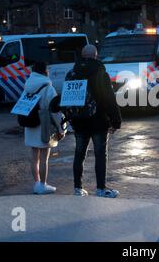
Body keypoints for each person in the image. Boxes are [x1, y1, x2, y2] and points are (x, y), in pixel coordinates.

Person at [70, 44, 122, 198]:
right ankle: (100, 189)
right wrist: (116, 121)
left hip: (79, 121)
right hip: (98, 121)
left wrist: (69, 117)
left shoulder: (72, 73)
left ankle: (78, 188)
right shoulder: (100, 73)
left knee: (79, 154)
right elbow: (109, 99)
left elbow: (68, 98)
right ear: (96, 56)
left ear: (82, 55)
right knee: (100, 154)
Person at [24, 62, 66, 195]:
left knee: (34, 156)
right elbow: (55, 110)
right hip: (44, 124)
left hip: (30, 123)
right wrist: (61, 128)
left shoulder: (28, 85)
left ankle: (36, 183)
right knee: (44, 158)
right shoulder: (48, 86)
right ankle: (43, 184)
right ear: (45, 71)